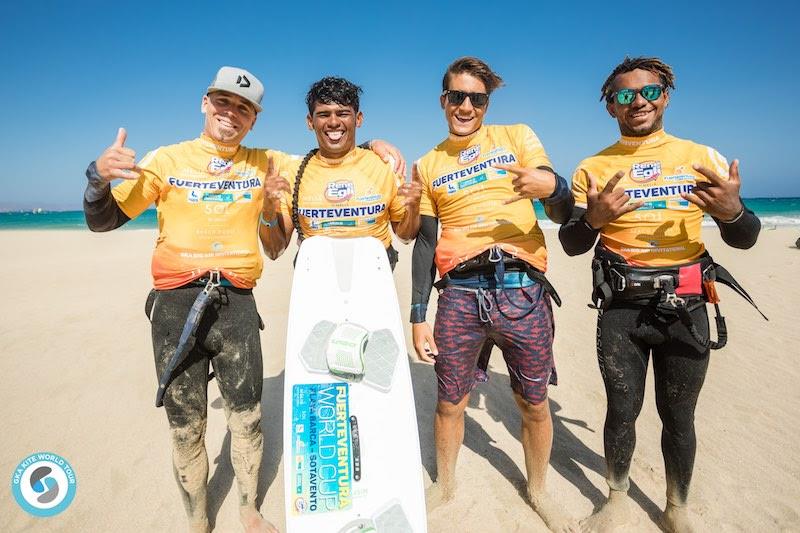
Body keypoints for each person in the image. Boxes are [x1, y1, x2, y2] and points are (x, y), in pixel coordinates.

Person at [82, 66, 403, 533]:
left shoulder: (269, 162)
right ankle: (196, 516)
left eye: (243, 108)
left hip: (236, 303)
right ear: (204, 103)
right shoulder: (165, 160)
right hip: (174, 304)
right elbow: (103, 220)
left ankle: (249, 508)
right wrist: (96, 179)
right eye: (222, 102)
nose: (230, 114)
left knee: (247, 415)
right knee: (185, 422)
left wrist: (377, 143)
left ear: (254, 119)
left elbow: (334, 150)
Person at [558, 56, 762, 532]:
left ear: (665, 96)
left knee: (678, 416)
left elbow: (746, 236)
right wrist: (594, 218)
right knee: (622, 410)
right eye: (625, 95)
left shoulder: (701, 157)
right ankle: (617, 498)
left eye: (648, 92)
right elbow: (571, 243)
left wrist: (732, 212)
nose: (638, 102)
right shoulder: (594, 166)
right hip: (621, 310)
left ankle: (677, 507)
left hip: (686, 306)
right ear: (611, 107)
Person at [409, 56, 577, 532]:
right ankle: (445, 486)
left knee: (533, 401)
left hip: (522, 292)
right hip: (459, 294)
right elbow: (424, 241)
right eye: (456, 97)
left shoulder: (518, 137)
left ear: (487, 103)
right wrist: (419, 313)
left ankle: (538, 491)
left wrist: (555, 186)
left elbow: (564, 213)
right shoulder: (428, 163)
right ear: (443, 100)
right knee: (449, 401)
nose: (466, 106)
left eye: (476, 99)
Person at [258, 76, 421, 266]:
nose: (333, 122)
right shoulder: (293, 173)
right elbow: (273, 251)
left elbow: (406, 236)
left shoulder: (384, 165)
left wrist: (414, 208)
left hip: (374, 278)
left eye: (342, 113)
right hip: (315, 279)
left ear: (358, 119)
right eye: (324, 114)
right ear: (310, 122)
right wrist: (268, 208)